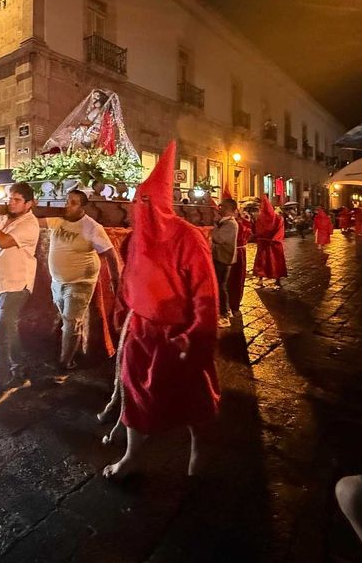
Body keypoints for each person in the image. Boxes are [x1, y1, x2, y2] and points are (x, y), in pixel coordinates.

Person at [101, 141, 220, 479]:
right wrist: (124, 310)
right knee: (136, 392)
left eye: (147, 201)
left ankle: (200, 450)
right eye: (138, 201)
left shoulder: (188, 238)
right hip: (141, 332)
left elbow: (205, 294)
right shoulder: (135, 237)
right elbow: (129, 277)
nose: (140, 208)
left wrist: (196, 336)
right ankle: (133, 456)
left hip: (178, 336)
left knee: (194, 399)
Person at [0, 182, 41, 406]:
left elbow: (2, 242)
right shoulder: (2, 219)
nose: (11, 203)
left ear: (29, 204)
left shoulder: (30, 224)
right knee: (9, 330)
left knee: (0, 329)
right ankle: (20, 372)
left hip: (18, 284)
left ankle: (0, 381)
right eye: (10, 198)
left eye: (17, 200)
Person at [39, 189, 120, 370]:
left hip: (80, 282)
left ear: (83, 207)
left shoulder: (91, 227)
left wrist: (116, 282)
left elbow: (110, 254)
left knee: (70, 321)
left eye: (73, 202)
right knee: (69, 320)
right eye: (67, 201)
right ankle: (74, 345)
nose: (67, 205)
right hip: (58, 281)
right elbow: (34, 222)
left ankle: (64, 364)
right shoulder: (58, 219)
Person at [211, 198, 239, 328]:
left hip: (223, 259)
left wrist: (212, 227)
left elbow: (218, 238)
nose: (219, 208)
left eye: (221, 206)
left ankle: (224, 315)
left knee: (221, 286)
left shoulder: (230, 224)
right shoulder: (225, 222)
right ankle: (225, 311)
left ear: (228, 209)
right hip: (221, 257)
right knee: (220, 285)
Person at [253, 194, 287, 289]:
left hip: (265, 244)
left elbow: (257, 231)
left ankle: (261, 279)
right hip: (273, 244)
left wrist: (260, 238)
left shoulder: (260, 218)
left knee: (263, 262)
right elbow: (280, 229)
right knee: (275, 262)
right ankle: (277, 279)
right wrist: (275, 239)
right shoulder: (277, 218)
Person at [226, 208, 251, 319]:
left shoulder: (231, 224)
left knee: (232, 279)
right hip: (240, 252)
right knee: (237, 279)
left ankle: (231, 304)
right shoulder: (246, 223)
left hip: (233, 252)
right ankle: (234, 304)